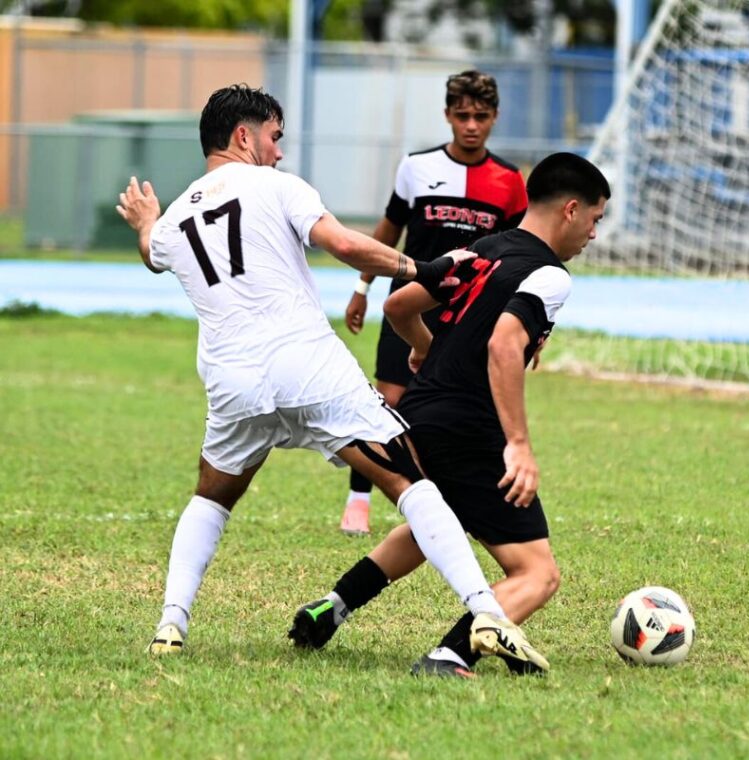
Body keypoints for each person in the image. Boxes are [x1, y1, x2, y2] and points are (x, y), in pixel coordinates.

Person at [115, 83, 546, 673]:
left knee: (212, 497)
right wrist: (426, 268)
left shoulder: (174, 221)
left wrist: (146, 219)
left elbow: (151, 252)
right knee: (410, 480)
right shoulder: (279, 186)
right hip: (306, 365)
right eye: (275, 137)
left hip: (231, 380)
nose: (279, 151)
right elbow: (343, 244)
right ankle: (487, 613)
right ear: (245, 135)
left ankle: (170, 624)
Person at [288, 152, 610, 677]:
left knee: (434, 523)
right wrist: (519, 445)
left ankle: (332, 607)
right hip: (469, 428)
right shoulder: (551, 275)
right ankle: (453, 653)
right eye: (595, 219)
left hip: (419, 414)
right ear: (571, 210)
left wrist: (423, 347)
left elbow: (398, 308)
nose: (593, 234)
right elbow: (505, 346)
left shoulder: (483, 250)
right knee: (537, 572)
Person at [338, 70, 528, 537]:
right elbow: (387, 233)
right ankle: (358, 501)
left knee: (460, 409)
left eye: (480, 116)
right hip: (408, 303)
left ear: (494, 118)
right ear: (447, 115)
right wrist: (362, 287)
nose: (470, 125)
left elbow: (521, 255)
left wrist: (525, 322)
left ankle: (447, 501)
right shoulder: (415, 167)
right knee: (388, 403)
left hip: (469, 315)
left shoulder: (509, 182)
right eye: (462, 115)